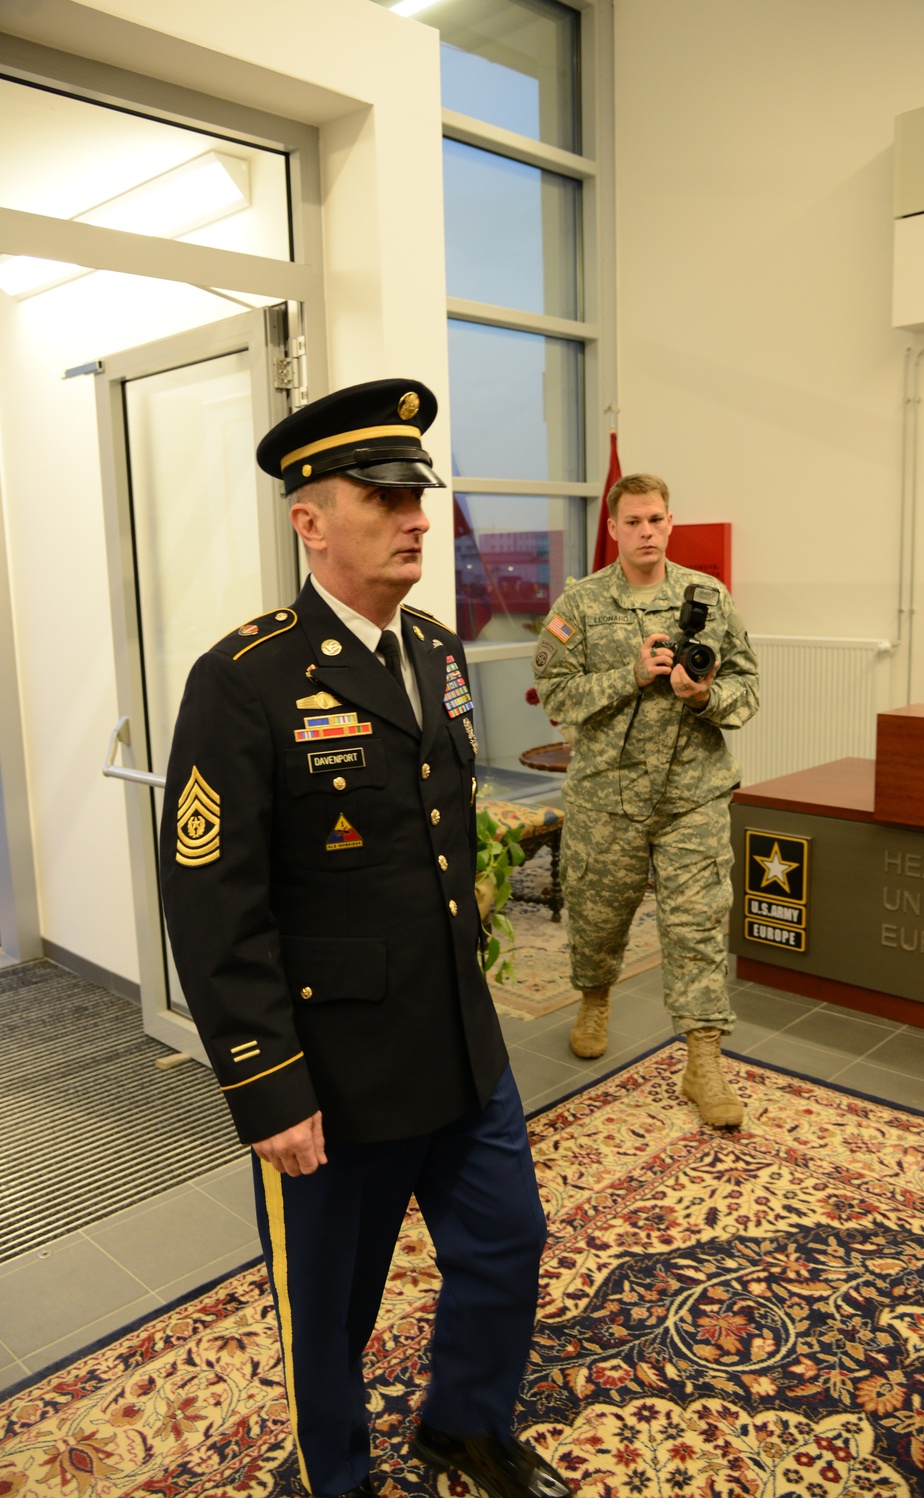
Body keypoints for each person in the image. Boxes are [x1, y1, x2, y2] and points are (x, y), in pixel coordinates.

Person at [159, 379, 570, 1498]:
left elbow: (434, 834)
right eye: (383, 495)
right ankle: (329, 1477)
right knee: (327, 1314)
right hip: (331, 1075)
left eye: (416, 494)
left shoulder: (431, 648)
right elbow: (211, 902)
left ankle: (463, 1422)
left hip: (454, 1038)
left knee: (506, 1247)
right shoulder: (243, 680)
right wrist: (266, 1083)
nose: (414, 515)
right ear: (309, 521)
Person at [533, 471, 759, 1128]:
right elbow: (555, 695)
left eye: (657, 519)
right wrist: (628, 675)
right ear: (612, 528)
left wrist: (703, 695)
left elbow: (746, 690)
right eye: (633, 521)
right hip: (607, 794)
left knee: (695, 928)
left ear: (669, 522)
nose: (647, 532)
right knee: (600, 917)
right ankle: (594, 998)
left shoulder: (709, 598)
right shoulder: (578, 605)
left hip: (693, 793)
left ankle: (703, 1061)